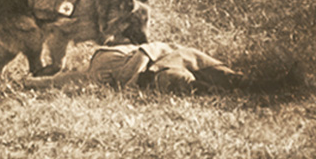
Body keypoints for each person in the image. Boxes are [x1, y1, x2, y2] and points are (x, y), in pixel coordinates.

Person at [22, 42, 246, 94]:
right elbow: (56, 81)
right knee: (176, 76)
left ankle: (235, 80)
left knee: (189, 57)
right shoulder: (91, 73)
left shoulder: (101, 56)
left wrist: (146, 66)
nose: (69, 68)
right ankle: (213, 85)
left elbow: (148, 49)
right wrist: (33, 82)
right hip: (152, 71)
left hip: (160, 58)